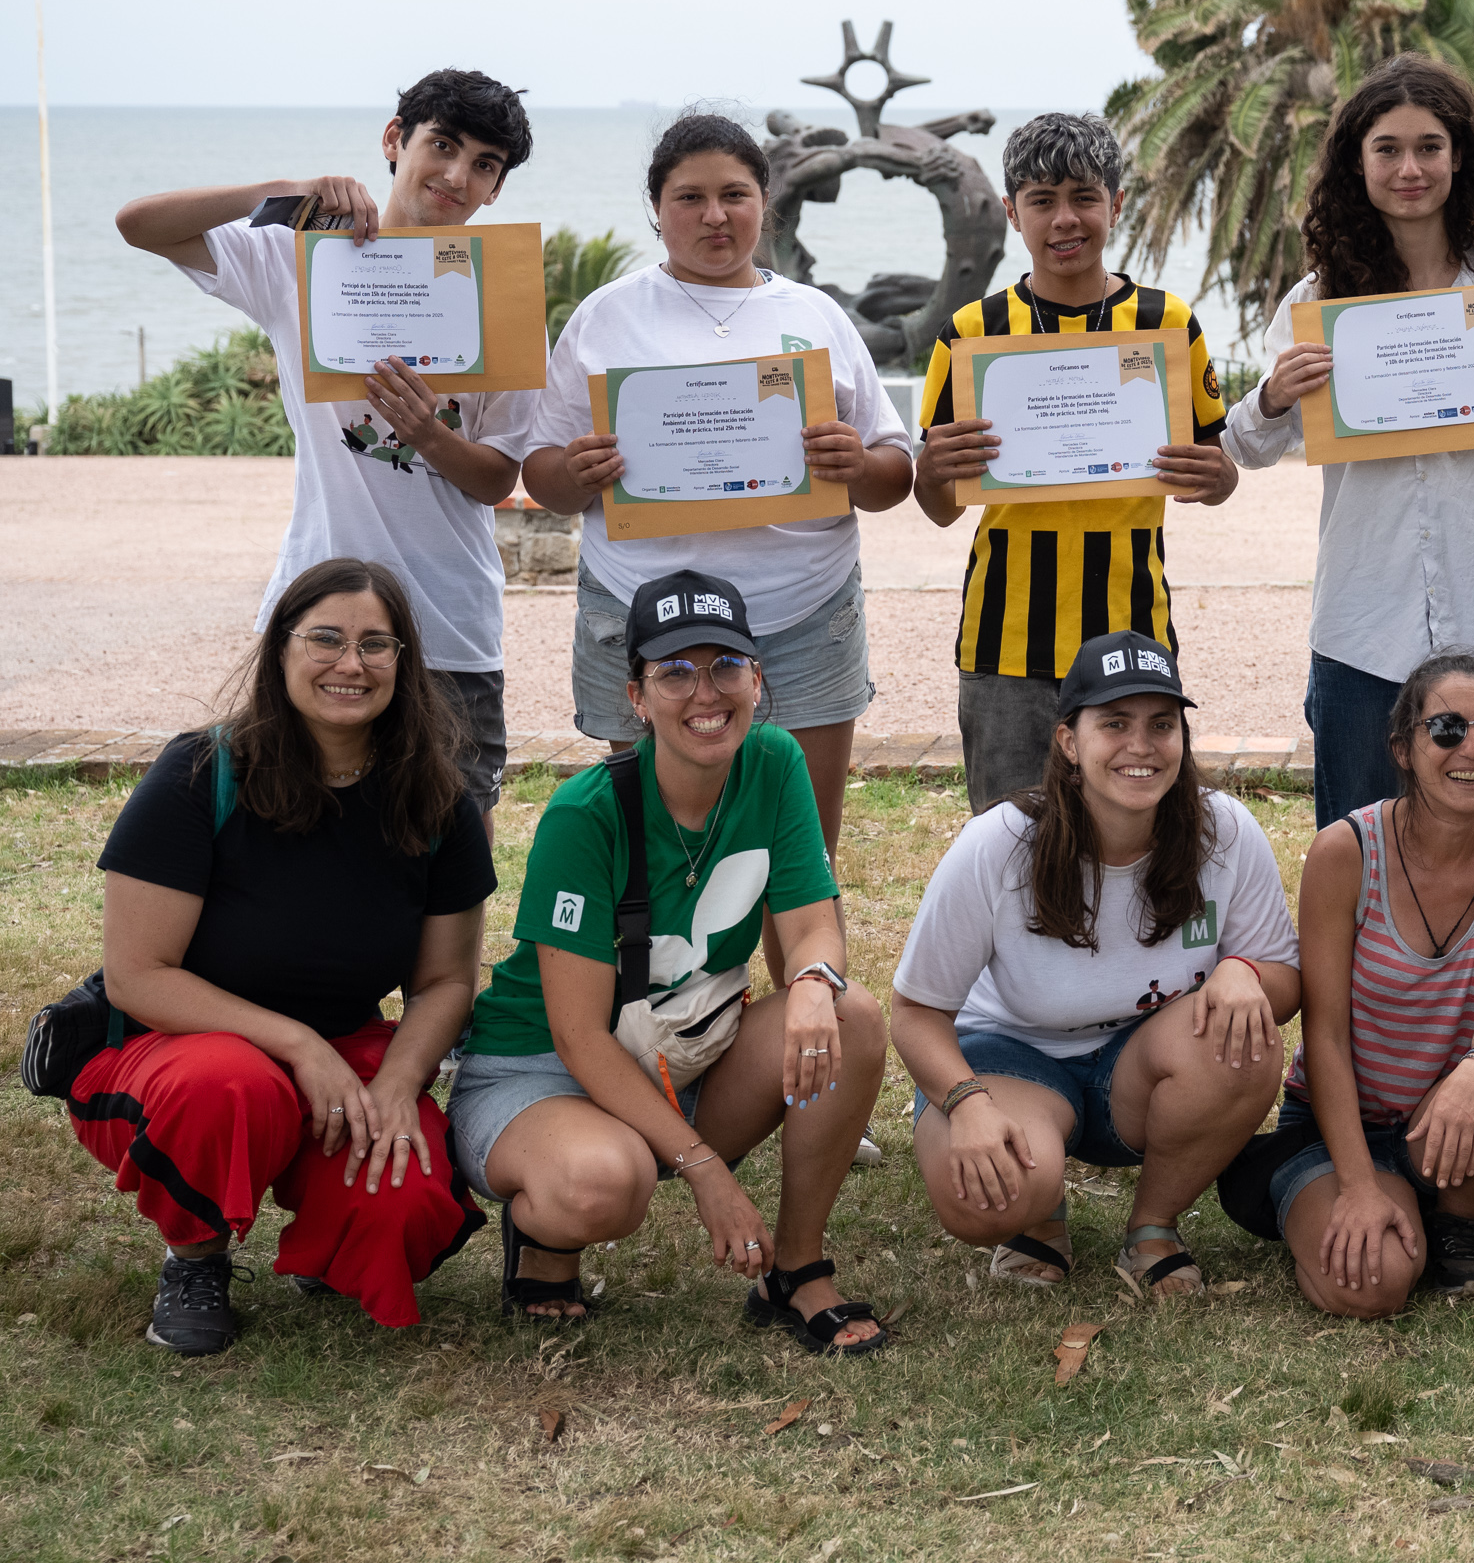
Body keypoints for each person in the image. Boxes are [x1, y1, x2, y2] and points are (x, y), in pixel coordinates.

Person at [447, 569, 893, 1352]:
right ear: (637, 697)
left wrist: (813, 981)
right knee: (602, 1183)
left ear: (757, 679)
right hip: (541, 1067)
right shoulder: (584, 814)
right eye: (676, 672)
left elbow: (813, 927)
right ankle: (545, 1236)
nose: (705, 693)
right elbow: (579, 1037)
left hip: (678, 1053)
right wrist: (706, 1169)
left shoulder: (775, 762)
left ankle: (795, 1270)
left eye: (726, 666)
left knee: (849, 1015)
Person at [69, 558, 494, 1353]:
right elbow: (137, 975)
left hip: (344, 1044)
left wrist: (397, 1084)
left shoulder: (436, 800)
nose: (350, 664)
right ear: (281, 649)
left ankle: (330, 1245)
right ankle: (195, 1258)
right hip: (181, 1049)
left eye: (375, 644)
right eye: (326, 639)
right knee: (232, 1085)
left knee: (404, 1197)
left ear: (403, 662)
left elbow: (445, 981)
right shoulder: (200, 773)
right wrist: (297, 1044)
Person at [112, 72, 543, 823]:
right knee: (296, 828)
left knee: (453, 838)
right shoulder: (302, 259)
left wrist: (428, 434)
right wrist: (280, 192)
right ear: (394, 140)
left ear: (497, 187)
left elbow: (496, 479)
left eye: (484, 164)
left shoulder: (503, 294)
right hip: (315, 608)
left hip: (449, 623)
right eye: (442, 146)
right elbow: (139, 224)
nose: (456, 176)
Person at [523, 110, 915, 874]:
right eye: (689, 197)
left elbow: (893, 472)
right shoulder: (607, 316)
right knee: (653, 860)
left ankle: (797, 958)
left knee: (802, 859)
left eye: (734, 194)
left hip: (803, 617)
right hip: (640, 616)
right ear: (656, 208)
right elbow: (541, 475)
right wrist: (573, 473)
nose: (714, 215)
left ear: (765, 202)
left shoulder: (816, 315)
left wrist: (856, 465)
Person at [1224, 55, 1474, 831]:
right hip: (1361, 630)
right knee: (1357, 848)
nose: (1409, 169)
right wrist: (1272, 396)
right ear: (1356, 163)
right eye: (1387, 149)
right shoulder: (1319, 301)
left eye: (1429, 146)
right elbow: (1247, 450)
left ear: (1460, 157)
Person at [889, 631, 1301, 1295]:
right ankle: (1038, 1213)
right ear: (1069, 742)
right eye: (1114, 724)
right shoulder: (998, 843)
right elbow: (914, 1011)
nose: (1141, 745)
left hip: (1140, 1066)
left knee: (1247, 1049)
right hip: (1009, 1056)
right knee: (985, 1203)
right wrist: (965, 1104)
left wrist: (1244, 971)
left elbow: (1284, 975)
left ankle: (1153, 1227)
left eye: (1161, 724)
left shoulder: (1222, 829)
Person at [910, 113, 1238, 813]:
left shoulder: (1166, 322)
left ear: (1115, 205)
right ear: (1012, 213)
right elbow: (938, 506)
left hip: (1132, 624)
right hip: (1006, 637)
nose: (1065, 219)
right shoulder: (971, 333)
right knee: (1009, 839)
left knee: (1136, 834)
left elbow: (1216, 469)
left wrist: (1216, 479)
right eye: (1042, 200)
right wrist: (931, 472)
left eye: (1084, 197)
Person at [1262, 653, 1474, 1317]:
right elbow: (1325, 1036)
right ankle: (1335, 1197)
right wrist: (1356, 1185)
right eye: (1448, 728)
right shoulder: (1345, 851)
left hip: (1443, 1112)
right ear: (1403, 747)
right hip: (1336, 1124)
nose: (1473, 748)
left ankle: (1457, 1220)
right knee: (1371, 1287)